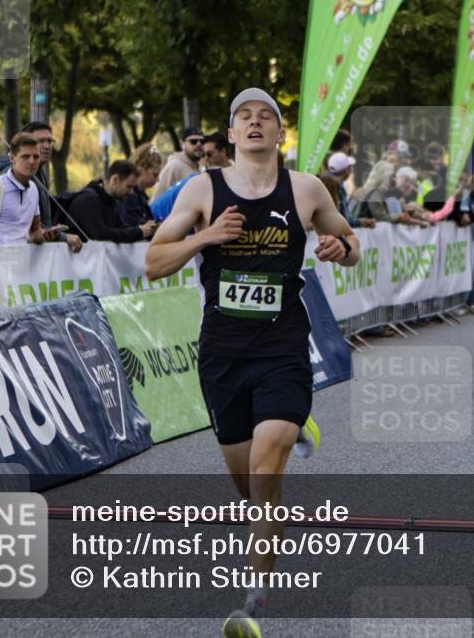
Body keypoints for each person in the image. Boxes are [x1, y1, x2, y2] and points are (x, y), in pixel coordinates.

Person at [143, 88, 360, 638]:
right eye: (246, 117)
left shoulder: (306, 188)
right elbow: (152, 264)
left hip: (283, 348)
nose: (256, 122)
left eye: (267, 116)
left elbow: (349, 241)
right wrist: (206, 237)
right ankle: (283, 459)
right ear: (231, 135)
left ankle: (252, 603)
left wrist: (340, 249)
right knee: (252, 489)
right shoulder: (200, 188)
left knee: (266, 468)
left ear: (279, 133)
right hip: (221, 355)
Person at [0, 121, 83, 252]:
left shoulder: (38, 171)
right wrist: (63, 237)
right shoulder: (15, 173)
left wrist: (52, 230)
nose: (47, 146)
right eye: (40, 141)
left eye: (50, 141)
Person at [0, 133, 56, 247]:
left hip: (23, 261)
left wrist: (46, 234)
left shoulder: (33, 189)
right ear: (12, 158)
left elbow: (34, 233)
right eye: (26, 156)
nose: (32, 161)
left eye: (36, 156)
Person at [66, 160, 157, 243]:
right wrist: (140, 231)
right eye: (129, 186)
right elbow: (101, 235)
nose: (132, 192)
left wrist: (148, 230)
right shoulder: (88, 199)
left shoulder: (111, 199)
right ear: (115, 180)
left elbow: (121, 229)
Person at [152, 126, 204, 197]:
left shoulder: (201, 168)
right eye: (193, 141)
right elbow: (157, 199)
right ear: (183, 144)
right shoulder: (173, 167)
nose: (199, 144)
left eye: (202, 141)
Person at [119, 143, 162, 226]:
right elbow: (134, 228)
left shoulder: (138, 195)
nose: (158, 180)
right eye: (155, 175)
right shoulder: (128, 196)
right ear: (142, 170)